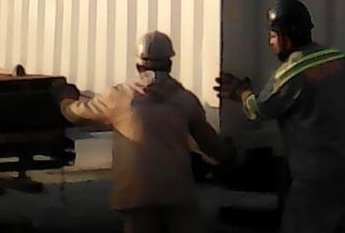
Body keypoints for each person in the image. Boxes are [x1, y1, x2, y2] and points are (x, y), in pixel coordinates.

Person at [215, 0, 345, 233]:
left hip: (315, 181)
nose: (269, 42)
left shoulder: (292, 73)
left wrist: (241, 91)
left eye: (272, 36)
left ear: (285, 38)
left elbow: (259, 111)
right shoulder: (340, 60)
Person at [56, 31, 232, 233]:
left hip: (136, 195)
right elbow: (210, 144)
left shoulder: (119, 96)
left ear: (138, 65)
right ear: (170, 64)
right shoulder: (185, 100)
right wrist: (230, 154)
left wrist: (65, 98)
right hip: (177, 193)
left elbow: (76, 114)